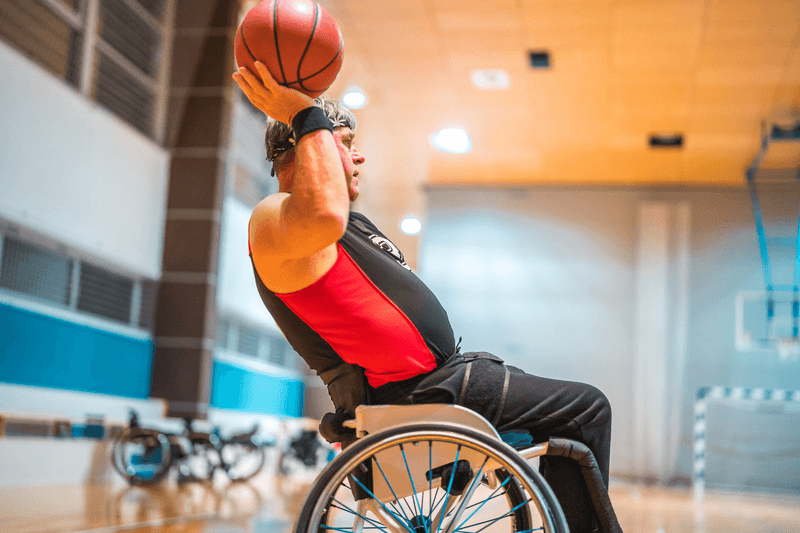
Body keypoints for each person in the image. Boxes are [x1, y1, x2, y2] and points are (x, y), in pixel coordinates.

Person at [233, 62, 618, 533]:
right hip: (422, 393)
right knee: (589, 408)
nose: (359, 158)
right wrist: (303, 110)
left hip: (440, 382)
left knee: (571, 422)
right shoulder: (275, 219)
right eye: (346, 145)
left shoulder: (334, 225)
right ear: (305, 145)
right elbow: (323, 214)